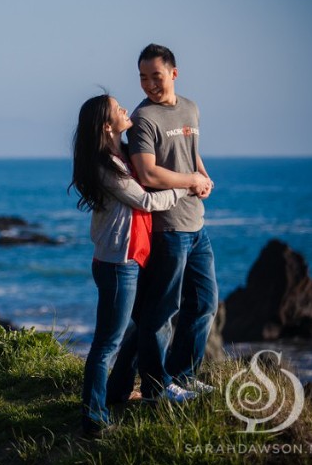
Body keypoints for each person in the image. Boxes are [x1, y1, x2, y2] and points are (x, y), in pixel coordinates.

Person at [69, 93, 208, 435]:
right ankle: (93, 419)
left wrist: (190, 173)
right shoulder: (107, 166)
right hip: (118, 264)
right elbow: (145, 199)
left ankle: (117, 393)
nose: (124, 110)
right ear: (106, 126)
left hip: (133, 258)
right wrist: (188, 185)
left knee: (142, 325)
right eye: (118, 109)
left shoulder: (122, 152)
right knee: (107, 342)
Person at [126, 43, 219, 402]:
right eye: (143, 77)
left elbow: (190, 154)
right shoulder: (143, 118)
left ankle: (182, 376)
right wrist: (191, 182)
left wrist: (203, 176)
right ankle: (156, 387)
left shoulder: (191, 108)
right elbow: (148, 173)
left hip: (197, 225)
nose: (149, 84)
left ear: (174, 74)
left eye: (156, 76)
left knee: (205, 304)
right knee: (163, 312)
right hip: (168, 228)